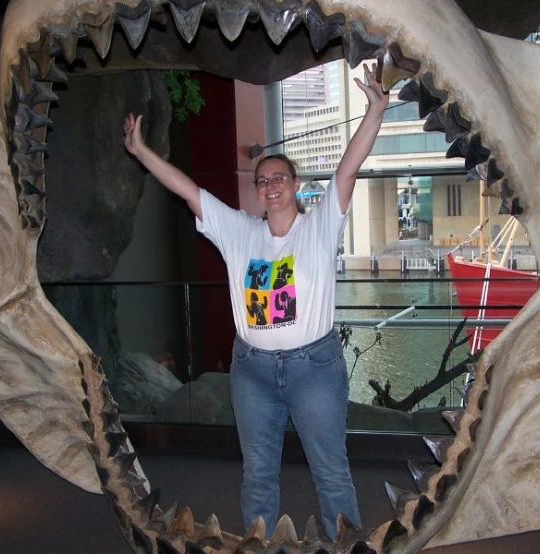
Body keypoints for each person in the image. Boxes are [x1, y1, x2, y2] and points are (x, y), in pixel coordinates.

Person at [123, 63, 389, 540]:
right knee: (258, 475)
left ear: (295, 185)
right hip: (253, 371)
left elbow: (348, 167)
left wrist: (375, 110)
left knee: (331, 472)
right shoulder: (239, 232)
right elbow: (186, 188)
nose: (270, 184)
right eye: (263, 179)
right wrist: (142, 151)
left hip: (314, 367)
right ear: (258, 190)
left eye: (279, 177)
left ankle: (348, 548)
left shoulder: (320, 226)